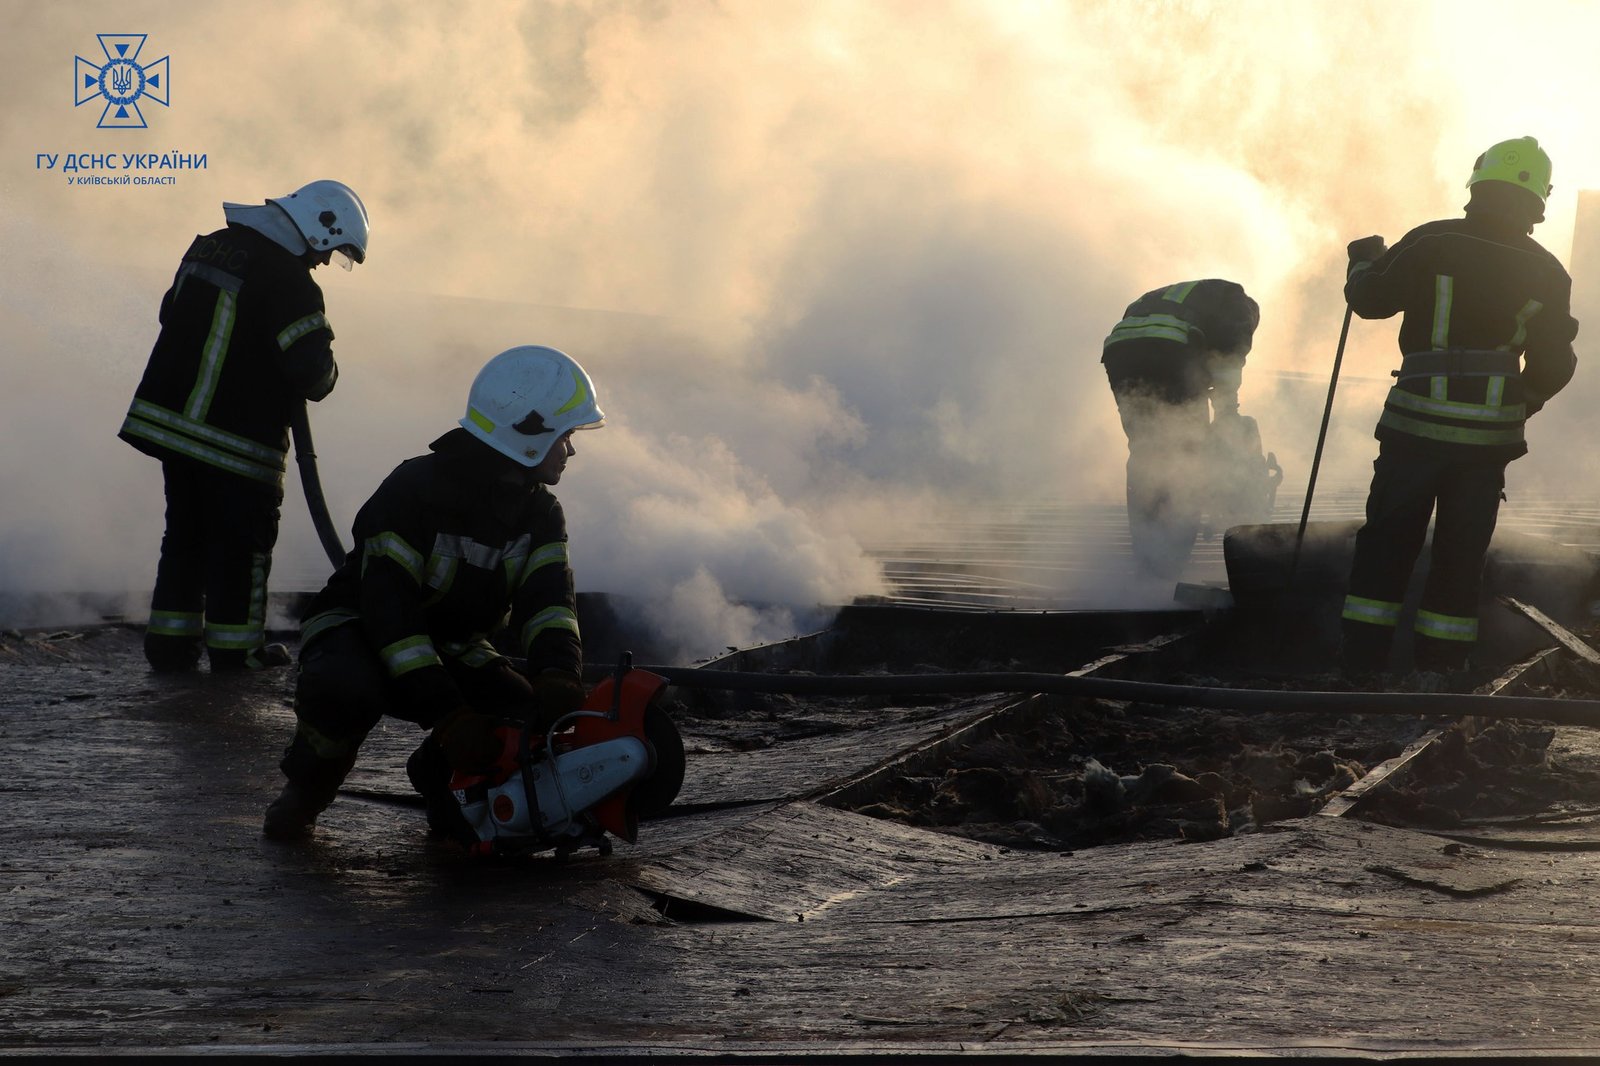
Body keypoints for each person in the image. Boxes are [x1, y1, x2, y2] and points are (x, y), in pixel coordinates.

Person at [263, 344, 605, 840]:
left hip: (450, 640)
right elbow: (391, 617)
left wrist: (558, 677)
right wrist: (449, 717)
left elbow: (550, 605)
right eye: (566, 435)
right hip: (359, 629)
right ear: (529, 432)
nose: (570, 450)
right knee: (347, 687)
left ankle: (439, 782)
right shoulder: (414, 491)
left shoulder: (541, 513)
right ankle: (307, 793)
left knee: (523, 710)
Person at [1340, 136, 1578, 677]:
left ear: (1477, 183)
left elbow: (1370, 301)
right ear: (1539, 200)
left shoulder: (1432, 240)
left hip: (1413, 432)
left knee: (1387, 545)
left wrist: (1361, 261)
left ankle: (1360, 670)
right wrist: (1521, 405)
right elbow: (1556, 364)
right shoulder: (1547, 271)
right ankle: (1440, 674)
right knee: (1460, 556)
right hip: (1485, 446)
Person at [118, 180, 370, 673]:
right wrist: (328, 364)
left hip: (172, 427)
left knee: (185, 539)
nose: (323, 263)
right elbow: (313, 374)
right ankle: (238, 654)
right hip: (236, 441)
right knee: (242, 549)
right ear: (319, 228)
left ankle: (170, 649)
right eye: (330, 250)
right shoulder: (290, 280)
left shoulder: (210, 246)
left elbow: (171, 311)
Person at [1102, 279, 1261, 578]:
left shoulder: (1178, 297)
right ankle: (1172, 550)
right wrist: (1228, 411)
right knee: (1188, 449)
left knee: (1146, 448)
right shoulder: (1239, 305)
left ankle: (1148, 547)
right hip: (1170, 352)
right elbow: (1228, 359)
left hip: (1120, 355)